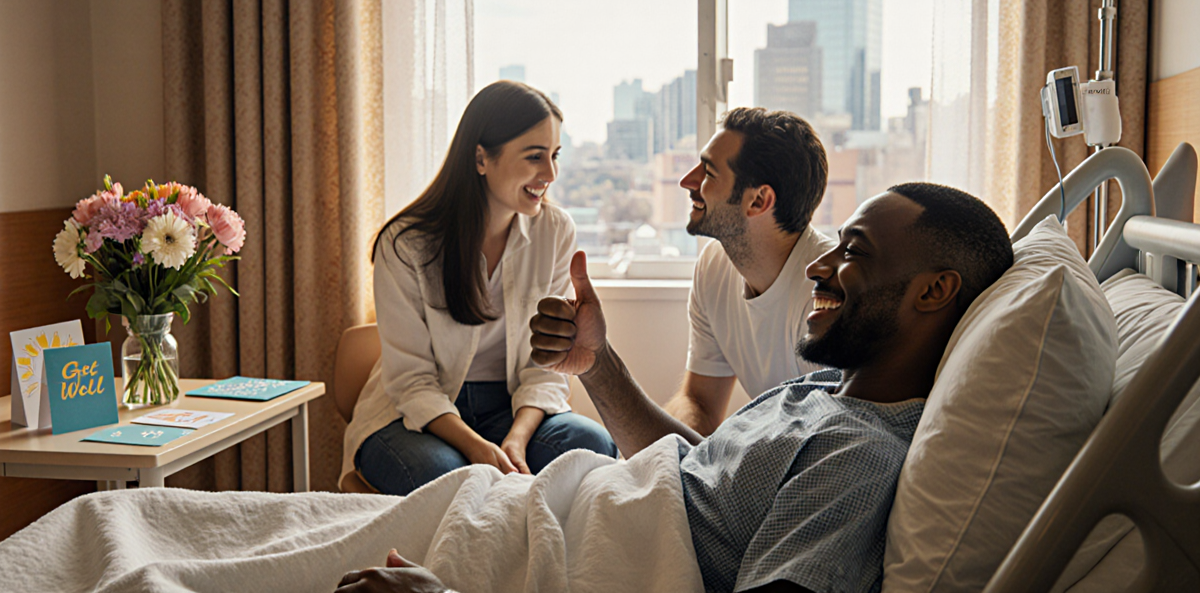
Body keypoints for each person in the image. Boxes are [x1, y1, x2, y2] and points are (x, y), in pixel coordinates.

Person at [335, 182, 1014, 592]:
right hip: (536, 514)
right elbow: (696, 473)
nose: (821, 267)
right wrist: (595, 362)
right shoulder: (821, 394)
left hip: (537, 559)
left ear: (934, 290)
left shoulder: (858, 459)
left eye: (854, 251)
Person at [341, 81, 617, 496]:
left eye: (555, 155)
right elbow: (412, 383)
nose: (551, 174)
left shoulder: (555, 231)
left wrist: (516, 440)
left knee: (593, 447)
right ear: (481, 158)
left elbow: (545, 365)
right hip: (413, 416)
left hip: (511, 410)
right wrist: (477, 449)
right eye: (534, 156)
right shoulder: (405, 244)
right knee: (453, 480)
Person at [665, 108, 835, 435]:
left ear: (758, 200)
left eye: (709, 173)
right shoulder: (714, 266)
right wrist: (667, 456)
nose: (687, 181)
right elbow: (699, 401)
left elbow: (824, 440)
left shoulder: (829, 294)